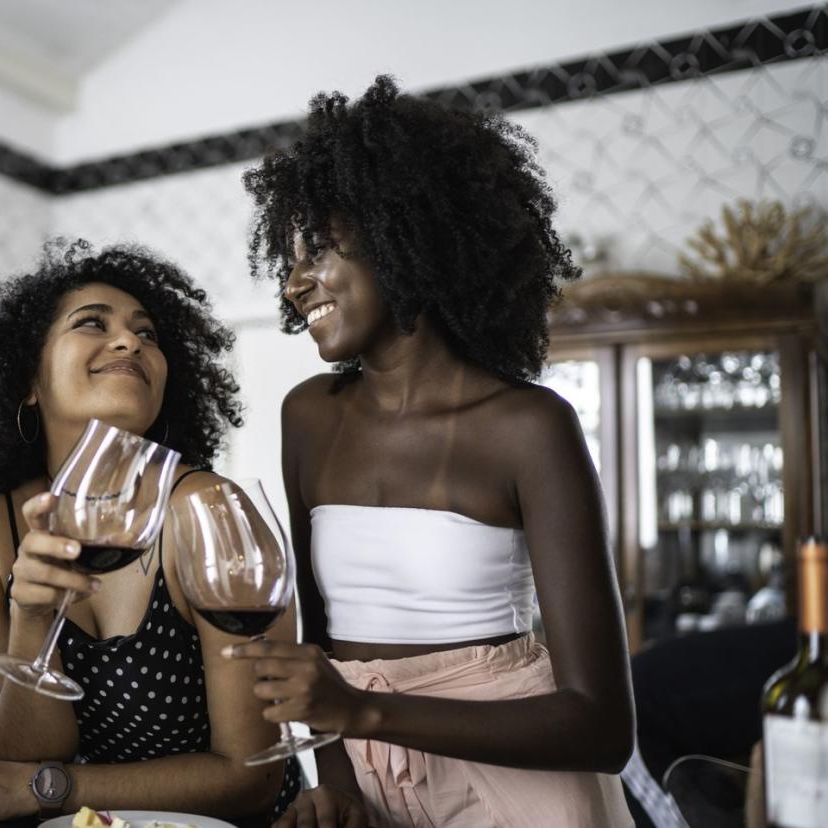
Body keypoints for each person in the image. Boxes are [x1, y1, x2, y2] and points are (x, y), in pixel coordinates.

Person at [227, 76, 636, 827]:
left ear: (401, 232)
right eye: (288, 259)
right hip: (375, 784)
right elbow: (317, 641)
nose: (293, 283)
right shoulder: (309, 417)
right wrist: (339, 786)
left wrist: (365, 710)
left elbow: (601, 727)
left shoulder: (527, 426)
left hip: (519, 793)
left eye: (316, 248)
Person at [0, 242, 301, 821]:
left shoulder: (204, 507)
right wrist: (33, 621)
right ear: (29, 378)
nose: (131, 342)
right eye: (92, 324)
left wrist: (36, 790)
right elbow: (18, 751)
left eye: (147, 334)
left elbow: (249, 777)